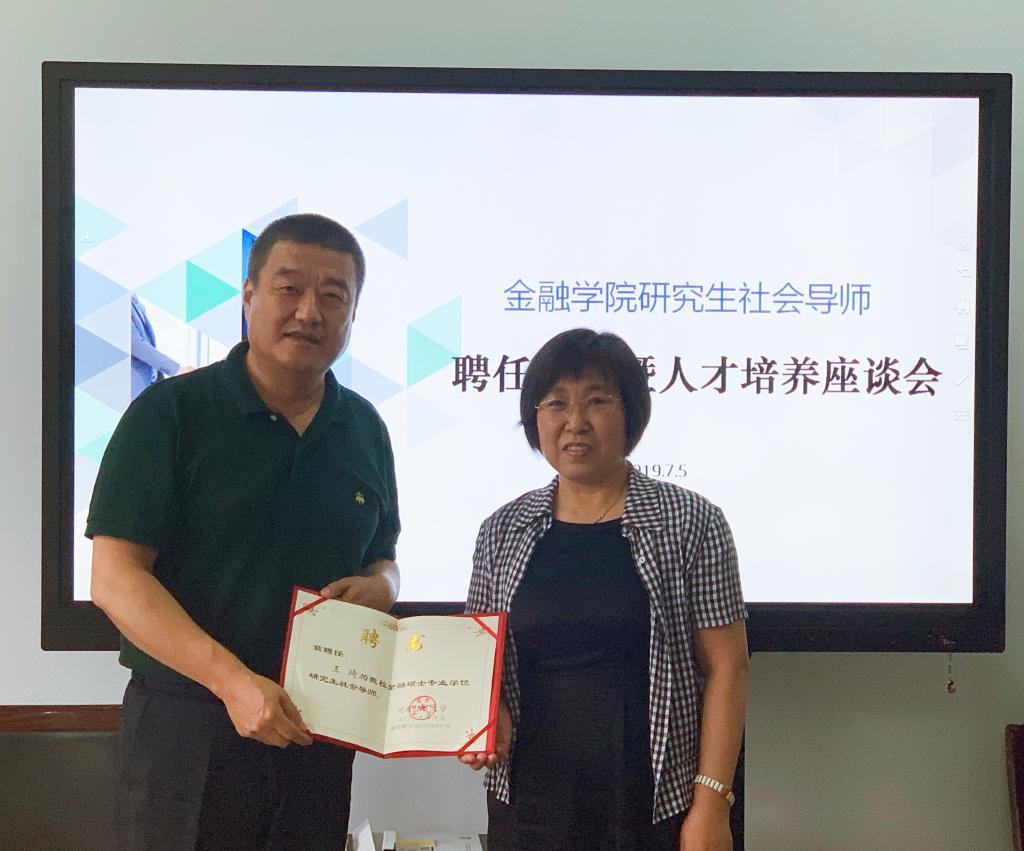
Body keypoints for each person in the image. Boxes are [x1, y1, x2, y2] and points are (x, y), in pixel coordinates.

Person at [88, 213, 400, 850]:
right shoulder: (170, 413)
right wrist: (232, 682)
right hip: (188, 728)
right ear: (250, 296)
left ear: (352, 314)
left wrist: (385, 587)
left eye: (333, 295)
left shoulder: (364, 427)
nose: (309, 311)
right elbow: (115, 580)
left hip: (316, 730)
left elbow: (382, 556)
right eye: (289, 288)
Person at [460, 328, 749, 851]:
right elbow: (479, 662)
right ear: (535, 419)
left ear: (631, 414)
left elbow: (727, 668)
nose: (575, 421)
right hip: (528, 807)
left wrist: (711, 804)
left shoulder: (692, 521)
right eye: (556, 403)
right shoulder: (502, 530)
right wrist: (485, 711)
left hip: (656, 805)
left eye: (597, 400)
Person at [130, 292, 193, 399]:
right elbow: (134, 343)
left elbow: (146, 340)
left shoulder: (132, 297)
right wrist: (176, 369)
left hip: (150, 380)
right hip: (135, 387)